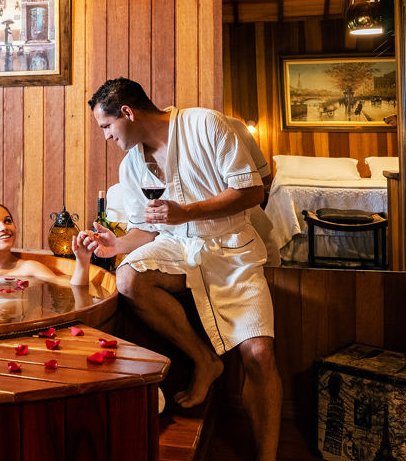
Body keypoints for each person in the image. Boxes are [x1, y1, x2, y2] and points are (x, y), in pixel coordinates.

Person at [80, 78, 282, 461]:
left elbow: (253, 191)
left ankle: (267, 458)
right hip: (176, 246)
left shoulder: (206, 125)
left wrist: (186, 211)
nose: (105, 136)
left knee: (259, 355)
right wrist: (116, 246)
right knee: (128, 277)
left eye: (106, 126)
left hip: (230, 249)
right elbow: (147, 229)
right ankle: (205, 361)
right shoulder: (132, 166)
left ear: (127, 112)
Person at [224, 116, 281, 267]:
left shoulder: (175, 135)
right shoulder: (234, 124)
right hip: (251, 219)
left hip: (216, 231)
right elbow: (266, 178)